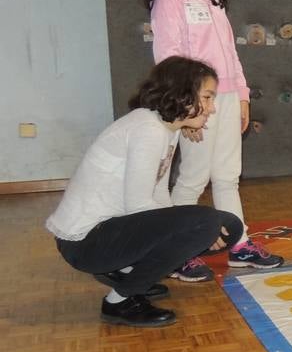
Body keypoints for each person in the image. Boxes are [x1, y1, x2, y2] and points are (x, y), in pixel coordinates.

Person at [45, 58, 243, 327]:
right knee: (206, 223)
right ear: (182, 92)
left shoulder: (166, 128)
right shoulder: (147, 129)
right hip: (85, 242)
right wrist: (196, 229)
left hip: (108, 233)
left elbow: (158, 193)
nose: (212, 107)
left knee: (228, 225)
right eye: (207, 97)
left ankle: (128, 272)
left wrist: (194, 229)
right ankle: (120, 300)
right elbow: (139, 205)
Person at [143, 0, 282, 280]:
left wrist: (242, 95)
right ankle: (173, 252)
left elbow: (229, 52)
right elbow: (169, 58)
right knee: (192, 178)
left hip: (226, 97)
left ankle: (240, 245)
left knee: (226, 176)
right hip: (196, 102)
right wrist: (188, 108)